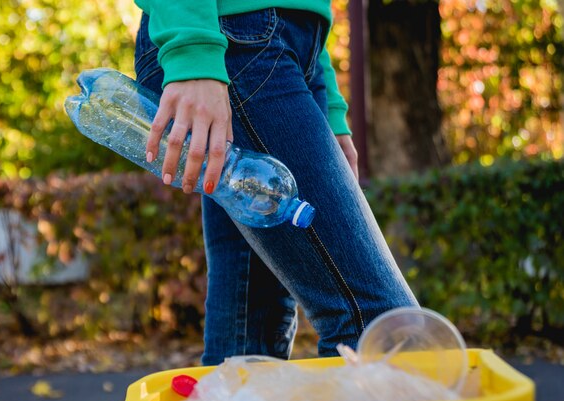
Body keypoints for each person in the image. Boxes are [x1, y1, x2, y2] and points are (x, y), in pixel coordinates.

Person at [133, 1, 419, 366]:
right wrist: (193, 49)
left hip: (282, 48)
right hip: (226, 39)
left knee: (249, 347)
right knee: (382, 333)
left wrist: (328, 100)